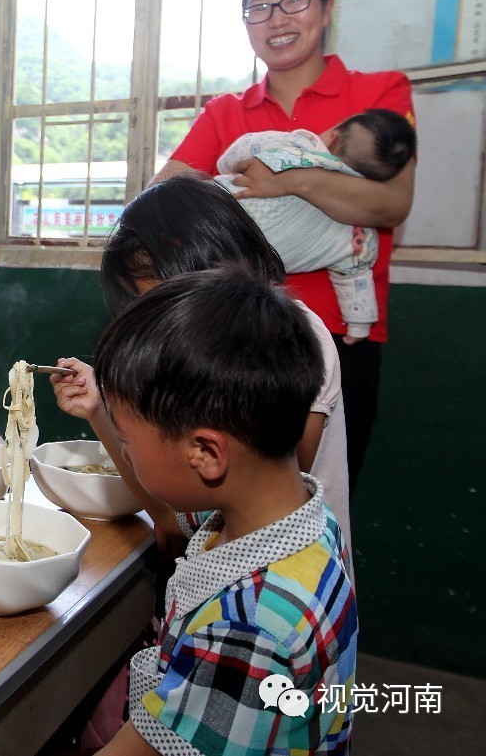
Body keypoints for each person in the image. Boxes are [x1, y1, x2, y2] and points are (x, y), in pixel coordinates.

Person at [154, 0, 415, 491]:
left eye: (295, 0)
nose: (277, 18)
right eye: (258, 8)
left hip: (340, 344)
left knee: (315, 505)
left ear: (326, 7)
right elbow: (161, 198)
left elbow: (389, 205)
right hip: (230, 341)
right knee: (215, 506)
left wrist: (287, 180)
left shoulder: (378, 95)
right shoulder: (226, 112)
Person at [90, 269, 357, 755]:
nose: (124, 453)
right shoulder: (302, 523)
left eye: (126, 441)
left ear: (208, 454)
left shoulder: (248, 626)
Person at [61, 175, 351, 550]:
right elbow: (172, 518)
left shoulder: (287, 337)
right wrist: (102, 409)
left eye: (161, 299)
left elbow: (188, 517)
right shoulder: (200, 346)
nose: (155, 317)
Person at [215, 108, 417, 343]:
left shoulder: (297, 147)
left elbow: (237, 153)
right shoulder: (357, 236)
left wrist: (226, 165)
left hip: (213, 217)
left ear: (333, 137)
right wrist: (359, 324)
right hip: (243, 268)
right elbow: (355, 280)